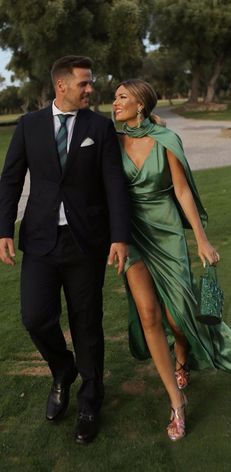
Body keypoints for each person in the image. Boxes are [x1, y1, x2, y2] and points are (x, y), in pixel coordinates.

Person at [0, 55, 130, 444]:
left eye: (91, 83)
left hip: (85, 242)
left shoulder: (100, 127)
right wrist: (3, 229)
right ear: (61, 86)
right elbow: (10, 180)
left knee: (87, 323)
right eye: (84, 83)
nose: (91, 89)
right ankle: (62, 370)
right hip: (39, 241)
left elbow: (114, 185)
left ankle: (91, 398)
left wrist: (119, 236)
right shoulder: (29, 126)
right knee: (35, 317)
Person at [113, 79, 231, 441]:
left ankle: (182, 350)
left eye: (122, 97)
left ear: (140, 105)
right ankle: (176, 400)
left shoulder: (166, 141)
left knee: (177, 315)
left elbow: (181, 190)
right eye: (115, 97)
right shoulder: (114, 142)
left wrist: (200, 239)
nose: (114, 102)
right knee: (149, 314)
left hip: (166, 232)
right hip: (132, 235)